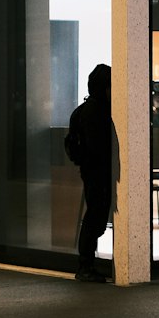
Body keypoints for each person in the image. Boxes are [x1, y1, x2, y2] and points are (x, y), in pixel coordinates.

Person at [65, 62, 112, 283]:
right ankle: (85, 265)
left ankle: (87, 263)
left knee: (95, 215)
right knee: (95, 216)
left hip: (89, 170)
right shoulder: (98, 111)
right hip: (97, 171)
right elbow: (98, 145)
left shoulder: (84, 109)